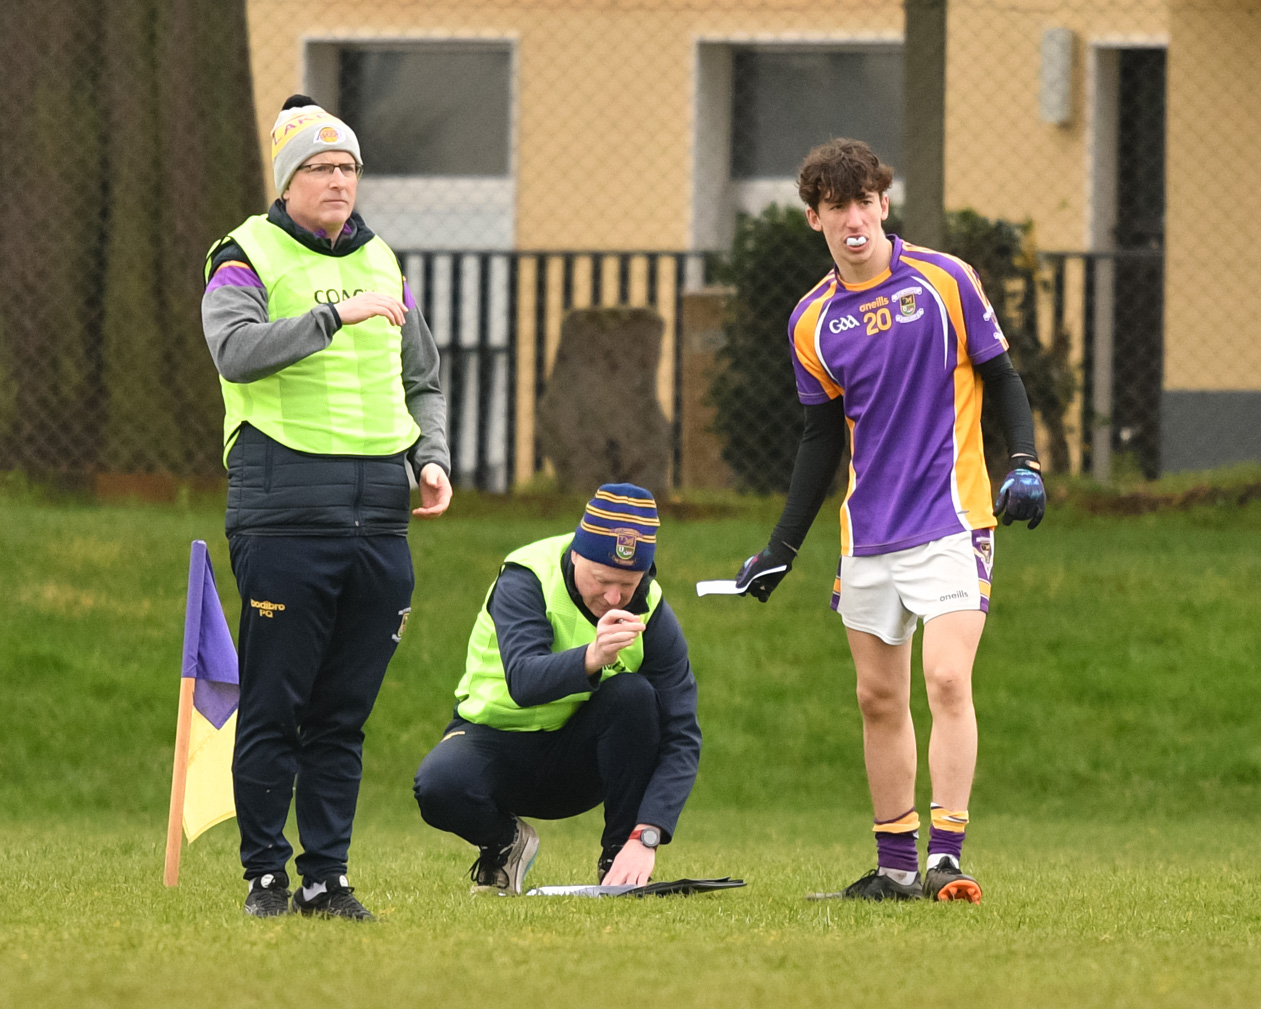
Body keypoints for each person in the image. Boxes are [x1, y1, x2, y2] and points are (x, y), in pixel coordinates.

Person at [733, 138, 1045, 904]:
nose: (853, 219)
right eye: (835, 206)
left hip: (952, 516)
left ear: (883, 203)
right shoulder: (811, 320)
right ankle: (895, 866)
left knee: (944, 676)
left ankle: (945, 856)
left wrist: (1027, 462)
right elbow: (818, 440)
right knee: (877, 698)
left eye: (864, 201)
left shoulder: (945, 279)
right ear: (814, 217)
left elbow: (1002, 377)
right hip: (867, 532)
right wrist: (780, 547)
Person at [201, 95, 452, 919]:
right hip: (285, 514)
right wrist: (331, 315)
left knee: (342, 716)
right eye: (320, 167)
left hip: (379, 519)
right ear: (286, 180)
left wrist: (431, 456)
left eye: (348, 167)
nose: (339, 181)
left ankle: (326, 878)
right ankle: (265, 876)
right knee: (276, 705)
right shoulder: (246, 255)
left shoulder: (383, 259)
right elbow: (236, 353)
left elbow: (423, 378)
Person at [414, 484, 701, 894]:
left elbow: (682, 734)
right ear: (577, 552)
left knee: (634, 696)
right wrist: (592, 657)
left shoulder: (652, 610)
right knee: (437, 786)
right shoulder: (526, 577)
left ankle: (619, 865)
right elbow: (524, 680)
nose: (615, 596)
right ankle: (505, 843)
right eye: (602, 580)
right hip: (495, 744)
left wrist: (647, 835)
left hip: (575, 765)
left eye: (630, 583)